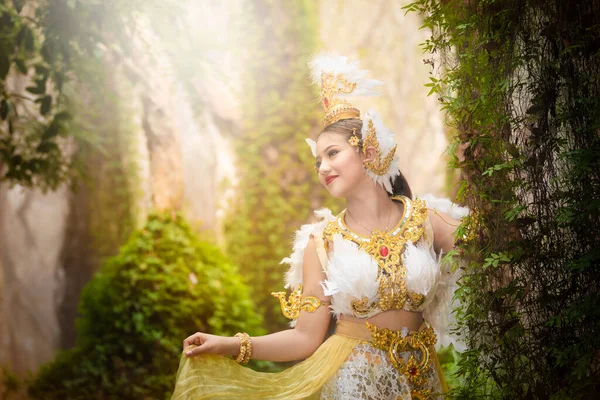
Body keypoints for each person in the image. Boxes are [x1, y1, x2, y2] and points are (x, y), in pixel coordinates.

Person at [171, 54, 468, 400]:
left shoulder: (424, 220)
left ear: (369, 151)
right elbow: (305, 338)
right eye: (318, 160)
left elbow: (488, 243)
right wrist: (230, 344)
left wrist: (472, 165)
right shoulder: (323, 243)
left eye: (332, 153)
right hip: (354, 385)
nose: (322, 167)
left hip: (422, 384)